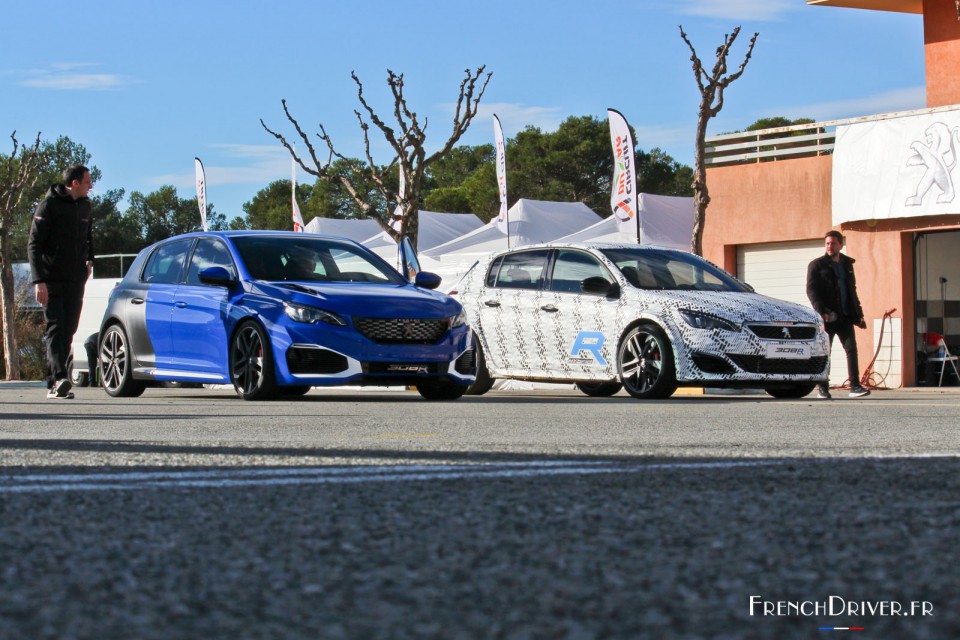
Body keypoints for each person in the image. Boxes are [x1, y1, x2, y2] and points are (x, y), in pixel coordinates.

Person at [27, 165, 94, 399]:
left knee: (69, 328)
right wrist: (39, 281)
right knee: (56, 326)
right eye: (87, 182)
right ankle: (59, 378)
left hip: (75, 278)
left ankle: (55, 381)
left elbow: (88, 236)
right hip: (51, 278)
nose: (91, 186)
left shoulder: (85, 206)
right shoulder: (49, 205)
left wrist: (90, 261)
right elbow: (33, 245)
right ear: (74, 183)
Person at [806, 230, 870, 399]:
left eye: (833, 243)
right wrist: (822, 312)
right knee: (826, 351)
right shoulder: (816, 265)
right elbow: (811, 291)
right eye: (827, 243)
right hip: (828, 317)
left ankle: (855, 386)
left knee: (851, 349)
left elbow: (851, 291)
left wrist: (859, 314)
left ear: (840, 245)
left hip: (845, 315)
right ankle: (823, 388)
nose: (830, 246)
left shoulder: (847, 265)